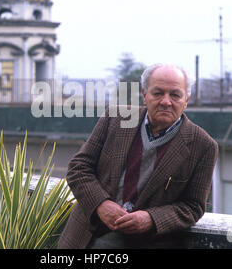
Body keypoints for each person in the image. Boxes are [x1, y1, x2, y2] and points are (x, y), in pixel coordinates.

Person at [57, 64, 218, 249]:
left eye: (175, 94)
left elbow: (193, 206)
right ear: (144, 95)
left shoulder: (203, 146)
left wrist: (151, 219)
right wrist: (101, 204)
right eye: (158, 93)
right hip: (83, 238)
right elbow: (79, 167)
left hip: (144, 242)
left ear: (186, 99)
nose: (166, 101)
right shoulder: (116, 118)